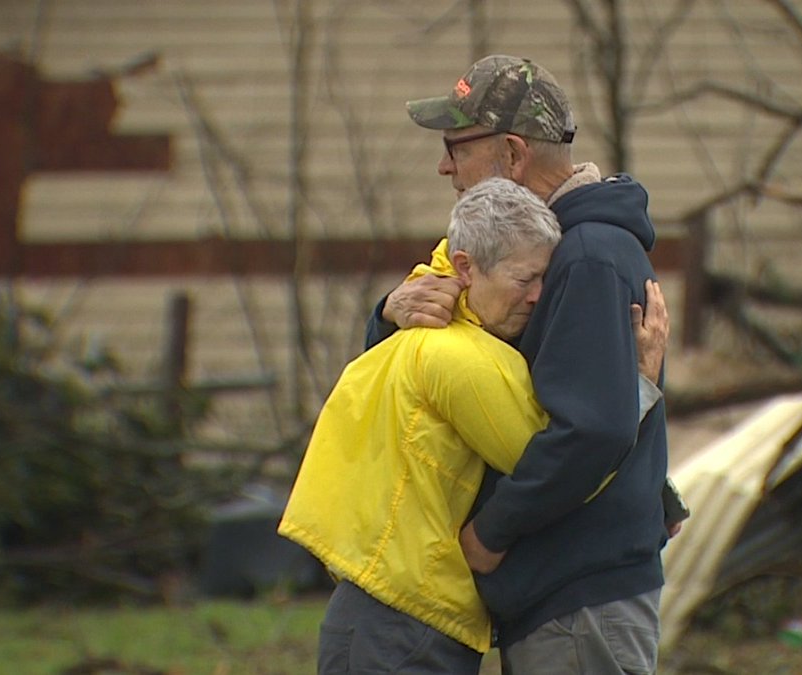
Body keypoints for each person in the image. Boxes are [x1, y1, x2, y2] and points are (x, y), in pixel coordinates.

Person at [279, 177, 669, 674]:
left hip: (388, 607)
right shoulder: (459, 357)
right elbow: (569, 456)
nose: (538, 298)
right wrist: (636, 386)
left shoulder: (420, 332)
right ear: (465, 267)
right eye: (523, 279)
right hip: (405, 621)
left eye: (545, 281)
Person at [366, 55, 675, 674]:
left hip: (577, 594)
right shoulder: (534, 251)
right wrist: (392, 314)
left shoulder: (587, 256)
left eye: (457, 146)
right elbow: (463, 370)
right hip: (562, 593)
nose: (444, 166)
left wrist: (490, 535)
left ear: (511, 153)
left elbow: (591, 429)